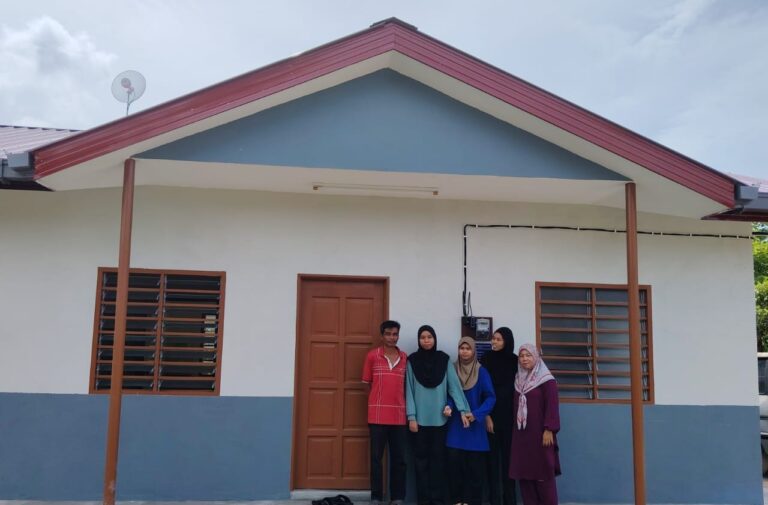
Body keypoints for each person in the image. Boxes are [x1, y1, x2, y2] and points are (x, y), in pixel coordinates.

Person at [406, 325, 470, 505]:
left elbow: (454, 387)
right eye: (423, 337)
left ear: (434, 339)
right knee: (420, 463)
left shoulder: (444, 360)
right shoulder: (412, 361)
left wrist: (463, 410)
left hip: (440, 421)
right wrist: (411, 417)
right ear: (419, 340)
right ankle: (424, 501)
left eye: (429, 337)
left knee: (438, 462)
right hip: (419, 422)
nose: (426, 340)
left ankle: (437, 500)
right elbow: (409, 390)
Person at [362, 320, 408, 505]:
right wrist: (377, 401)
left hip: (399, 417)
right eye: (388, 334)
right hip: (377, 416)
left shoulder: (404, 358)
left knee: (400, 459)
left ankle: (397, 497)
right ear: (382, 336)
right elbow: (366, 384)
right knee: (376, 459)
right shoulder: (372, 356)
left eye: (395, 334)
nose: (392, 337)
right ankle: (376, 497)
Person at [445, 336, 496, 505]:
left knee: (475, 472)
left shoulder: (481, 371)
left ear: (474, 351)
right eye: (462, 348)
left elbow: (490, 397)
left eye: (468, 348)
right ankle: (457, 501)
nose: (464, 352)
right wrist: (448, 406)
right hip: (456, 427)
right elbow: (450, 393)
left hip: (475, 428)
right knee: (454, 470)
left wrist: (477, 414)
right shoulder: (452, 369)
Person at [508, 344, 561, 505]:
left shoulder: (546, 380)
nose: (524, 359)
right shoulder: (519, 380)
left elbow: (552, 406)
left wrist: (549, 429)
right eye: (521, 356)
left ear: (536, 357)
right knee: (525, 476)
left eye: (528, 355)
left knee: (543, 474)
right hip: (522, 436)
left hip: (541, 435)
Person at [480, 327, 519, 505]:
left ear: (507, 341)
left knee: (509, 462)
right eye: (493, 338)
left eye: (498, 339)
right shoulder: (486, 359)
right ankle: (494, 500)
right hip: (491, 418)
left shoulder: (515, 361)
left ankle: (509, 500)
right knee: (492, 462)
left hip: (510, 419)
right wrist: (487, 416)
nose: (494, 342)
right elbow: (482, 390)